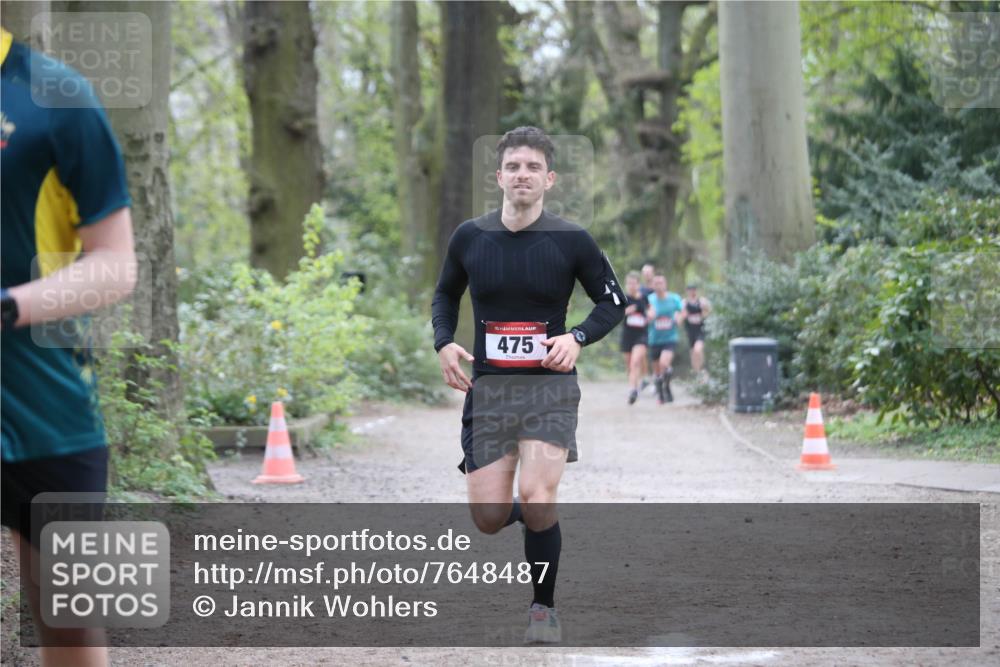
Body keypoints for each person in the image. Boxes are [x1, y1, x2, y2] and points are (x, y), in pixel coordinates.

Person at [432, 126, 625, 643]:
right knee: (490, 517)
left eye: (533, 167)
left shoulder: (574, 240)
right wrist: (444, 342)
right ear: (499, 176)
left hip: (549, 389)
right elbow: (446, 296)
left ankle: (543, 609)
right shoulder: (470, 237)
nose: (523, 174)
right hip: (490, 392)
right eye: (514, 166)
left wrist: (578, 337)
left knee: (538, 496)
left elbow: (613, 301)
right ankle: (531, 515)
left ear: (549, 179)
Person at [1, 26, 136, 667]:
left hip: (50, 408)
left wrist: (8, 306)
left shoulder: (57, 94)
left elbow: (115, 264)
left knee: (73, 619)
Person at [645, 275, 683, 404]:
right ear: (653, 286)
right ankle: (661, 393)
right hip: (654, 339)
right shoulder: (649, 300)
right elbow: (646, 313)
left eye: (661, 283)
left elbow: (681, 311)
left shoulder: (674, 298)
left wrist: (679, 317)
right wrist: (649, 316)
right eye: (656, 283)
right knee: (657, 371)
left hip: (670, 338)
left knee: (664, 364)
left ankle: (666, 388)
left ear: (665, 284)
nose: (659, 285)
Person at [620, 271, 648, 405]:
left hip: (641, 335)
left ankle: (632, 391)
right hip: (627, 336)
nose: (631, 286)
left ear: (638, 284)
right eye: (629, 283)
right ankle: (634, 386)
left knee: (635, 362)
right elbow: (616, 314)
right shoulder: (623, 298)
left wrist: (650, 315)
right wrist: (626, 311)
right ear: (626, 284)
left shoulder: (644, 298)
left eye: (634, 283)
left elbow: (651, 310)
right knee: (629, 365)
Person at [682, 284, 711, 376]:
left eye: (694, 290)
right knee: (693, 352)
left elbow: (707, 314)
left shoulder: (702, 301)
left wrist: (704, 308)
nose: (692, 292)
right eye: (690, 290)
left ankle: (702, 368)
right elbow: (681, 315)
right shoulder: (684, 302)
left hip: (700, 330)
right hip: (690, 330)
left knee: (697, 349)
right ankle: (696, 371)